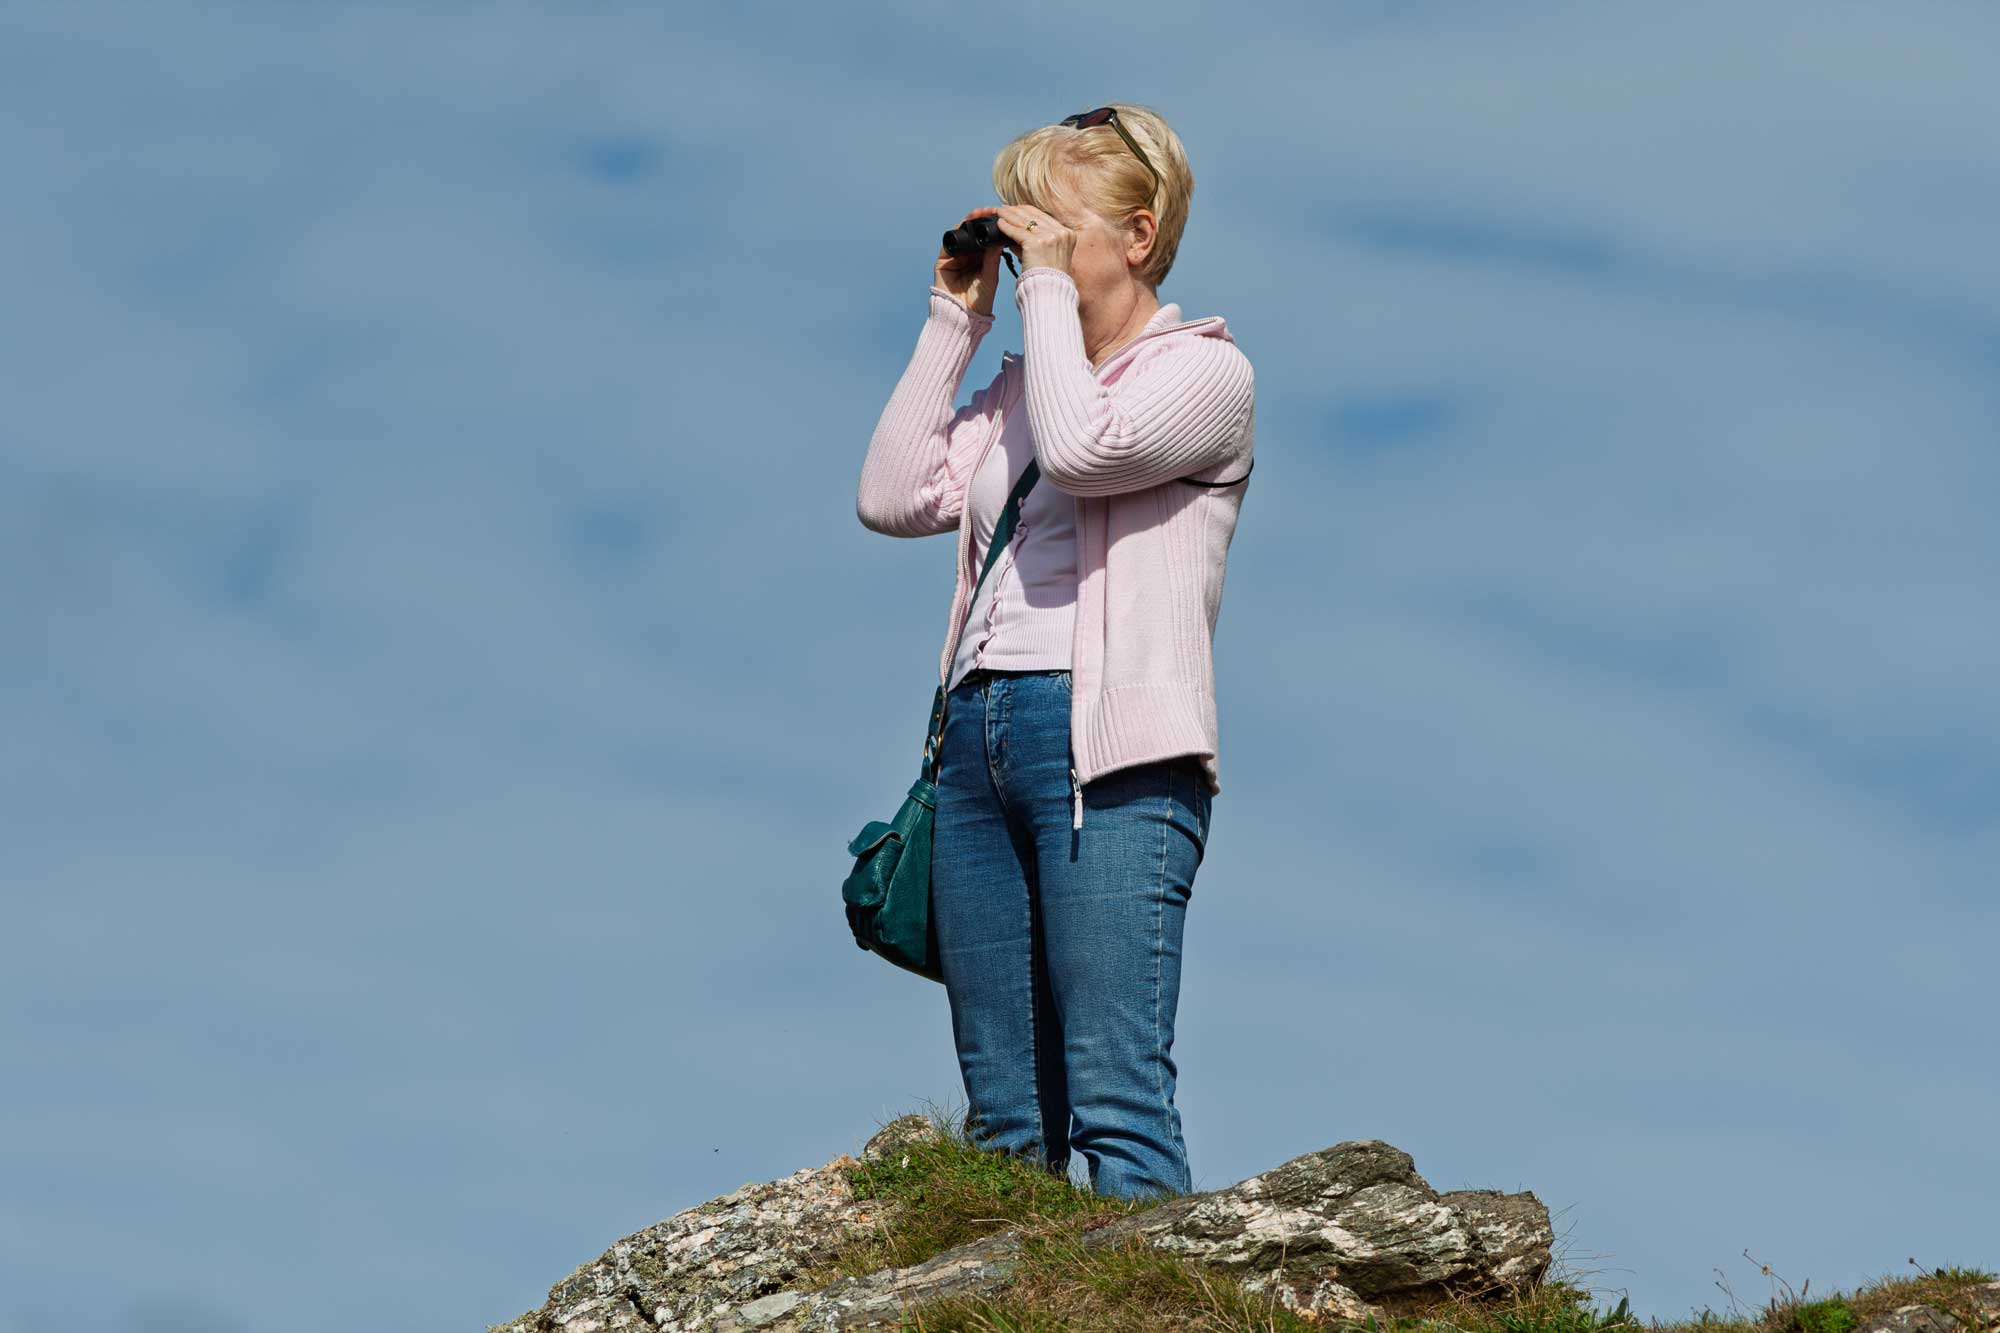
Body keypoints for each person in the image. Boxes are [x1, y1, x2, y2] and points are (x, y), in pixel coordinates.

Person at [855, 103, 1256, 1203]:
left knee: (1115, 1097)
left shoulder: (1205, 376)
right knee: (1004, 1117)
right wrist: (953, 317)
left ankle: (1160, 1311)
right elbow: (890, 498)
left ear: (1137, 235)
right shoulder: (1021, 388)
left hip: (1110, 748)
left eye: (1053, 221)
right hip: (976, 740)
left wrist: (1037, 295)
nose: (1028, 238)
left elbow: (1084, 455)